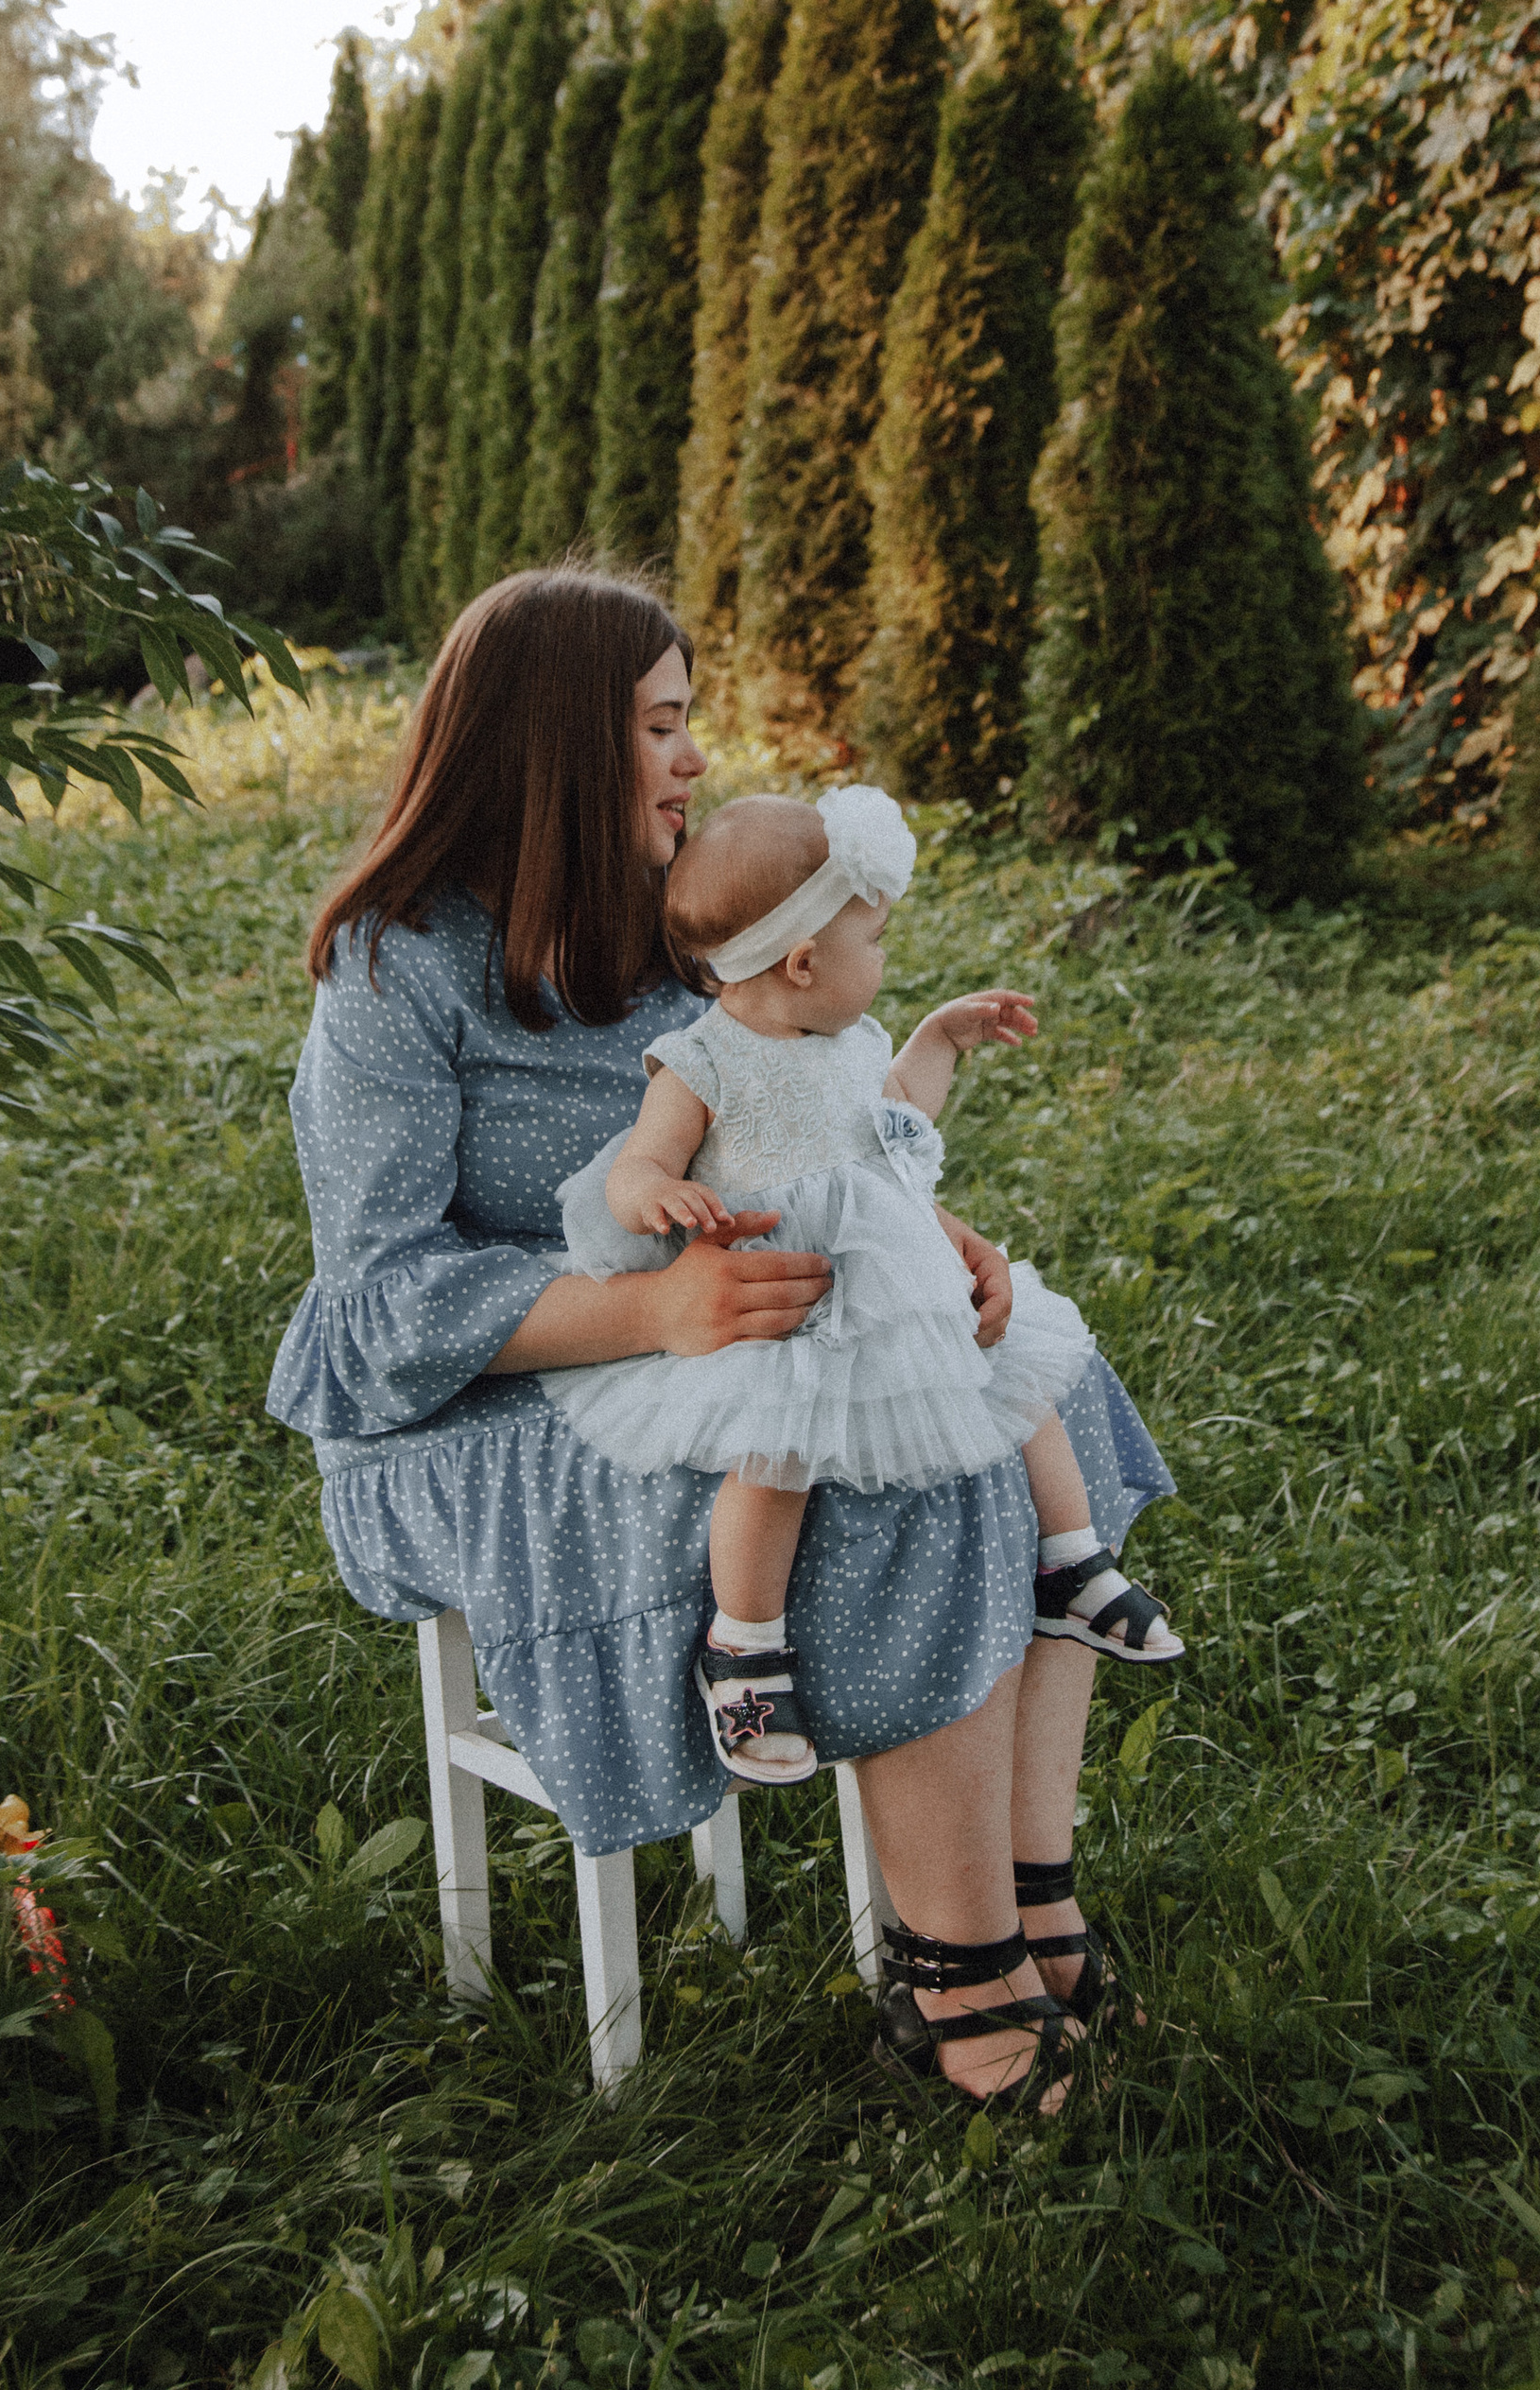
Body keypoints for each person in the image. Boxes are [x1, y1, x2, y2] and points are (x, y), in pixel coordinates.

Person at [267, 567, 1175, 2111]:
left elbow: (799, 1124)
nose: (694, 757)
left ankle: (1035, 1902)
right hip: (488, 1404)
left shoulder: (682, 924)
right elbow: (375, 1305)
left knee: (1042, 1389)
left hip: (735, 1341)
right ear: (555, 746)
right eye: (659, 726)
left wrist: (923, 1243)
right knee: (914, 1470)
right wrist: (650, 1310)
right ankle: (953, 1972)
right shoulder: (395, 966)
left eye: (687, 721)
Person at [542, 783, 1183, 1791]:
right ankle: (744, 1649)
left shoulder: (852, 1043)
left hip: (892, 1292)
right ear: (802, 963)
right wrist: (657, 1194)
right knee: (775, 1461)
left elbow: (895, 1123)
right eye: (875, 941)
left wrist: (939, 1041)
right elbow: (637, 1166)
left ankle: (1071, 1563)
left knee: (1018, 1376)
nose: (884, 960)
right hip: (788, 1314)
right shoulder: (703, 1063)